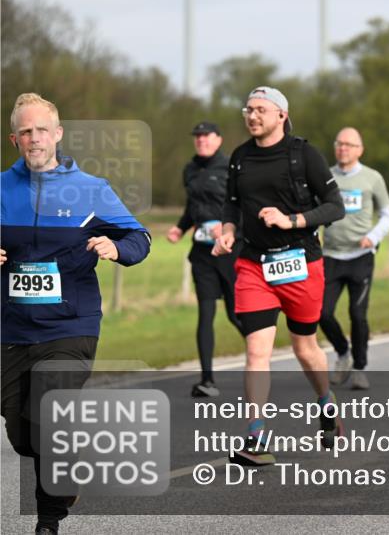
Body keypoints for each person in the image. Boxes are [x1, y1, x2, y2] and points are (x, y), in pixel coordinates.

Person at [1, 93, 151, 534]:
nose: (34, 138)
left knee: (50, 414)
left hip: (71, 325)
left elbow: (139, 237)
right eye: (25, 131)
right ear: (15, 139)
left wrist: (116, 247)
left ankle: (48, 521)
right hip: (11, 328)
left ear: (58, 134)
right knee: (22, 435)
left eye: (41, 130)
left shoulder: (90, 189)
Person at [213, 86, 346, 465]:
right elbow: (232, 204)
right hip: (254, 265)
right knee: (257, 352)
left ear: (281, 115)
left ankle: (326, 401)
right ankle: (256, 437)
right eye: (248, 110)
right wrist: (227, 231)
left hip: (301, 264)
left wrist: (291, 220)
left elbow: (335, 208)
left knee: (305, 347)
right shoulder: (239, 157)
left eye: (260, 110)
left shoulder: (304, 155)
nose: (252, 116)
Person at [166, 121, 242, 397]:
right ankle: (207, 380)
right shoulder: (190, 169)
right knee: (205, 315)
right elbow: (192, 206)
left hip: (230, 251)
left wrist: (229, 227)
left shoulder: (231, 168)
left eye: (206, 136)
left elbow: (242, 205)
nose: (201, 140)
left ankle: (261, 360)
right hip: (202, 254)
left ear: (218, 140)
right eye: (197, 137)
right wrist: (181, 227)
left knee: (236, 315)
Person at [319, 127, 389, 391]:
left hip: (360, 256)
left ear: (360, 150)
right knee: (321, 312)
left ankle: (360, 368)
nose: (343, 148)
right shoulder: (325, 177)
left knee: (357, 313)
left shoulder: (372, 178)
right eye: (339, 143)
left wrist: (373, 237)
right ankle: (343, 353)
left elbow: (387, 214)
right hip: (330, 255)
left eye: (349, 144)